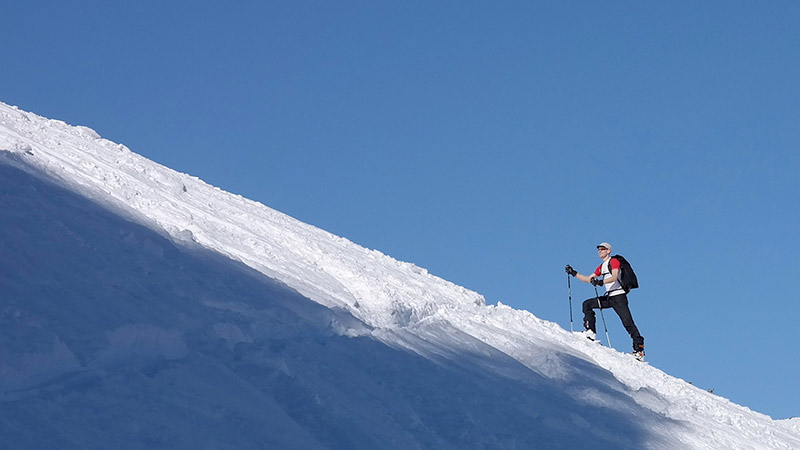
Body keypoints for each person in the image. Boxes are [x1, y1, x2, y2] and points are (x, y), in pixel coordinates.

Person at [565, 242, 645, 359]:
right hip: (609, 298)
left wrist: (600, 282)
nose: (600, 251)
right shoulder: (602, 266)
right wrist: (573, 273)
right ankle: (590, 332)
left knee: (627, 322)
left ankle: (639, 350)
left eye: (603, 249)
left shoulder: (614, 261)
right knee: (587, 304)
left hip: (619, 297)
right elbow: (588, 279)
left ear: (608, 251)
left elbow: (614, 276)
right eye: (599, 249)